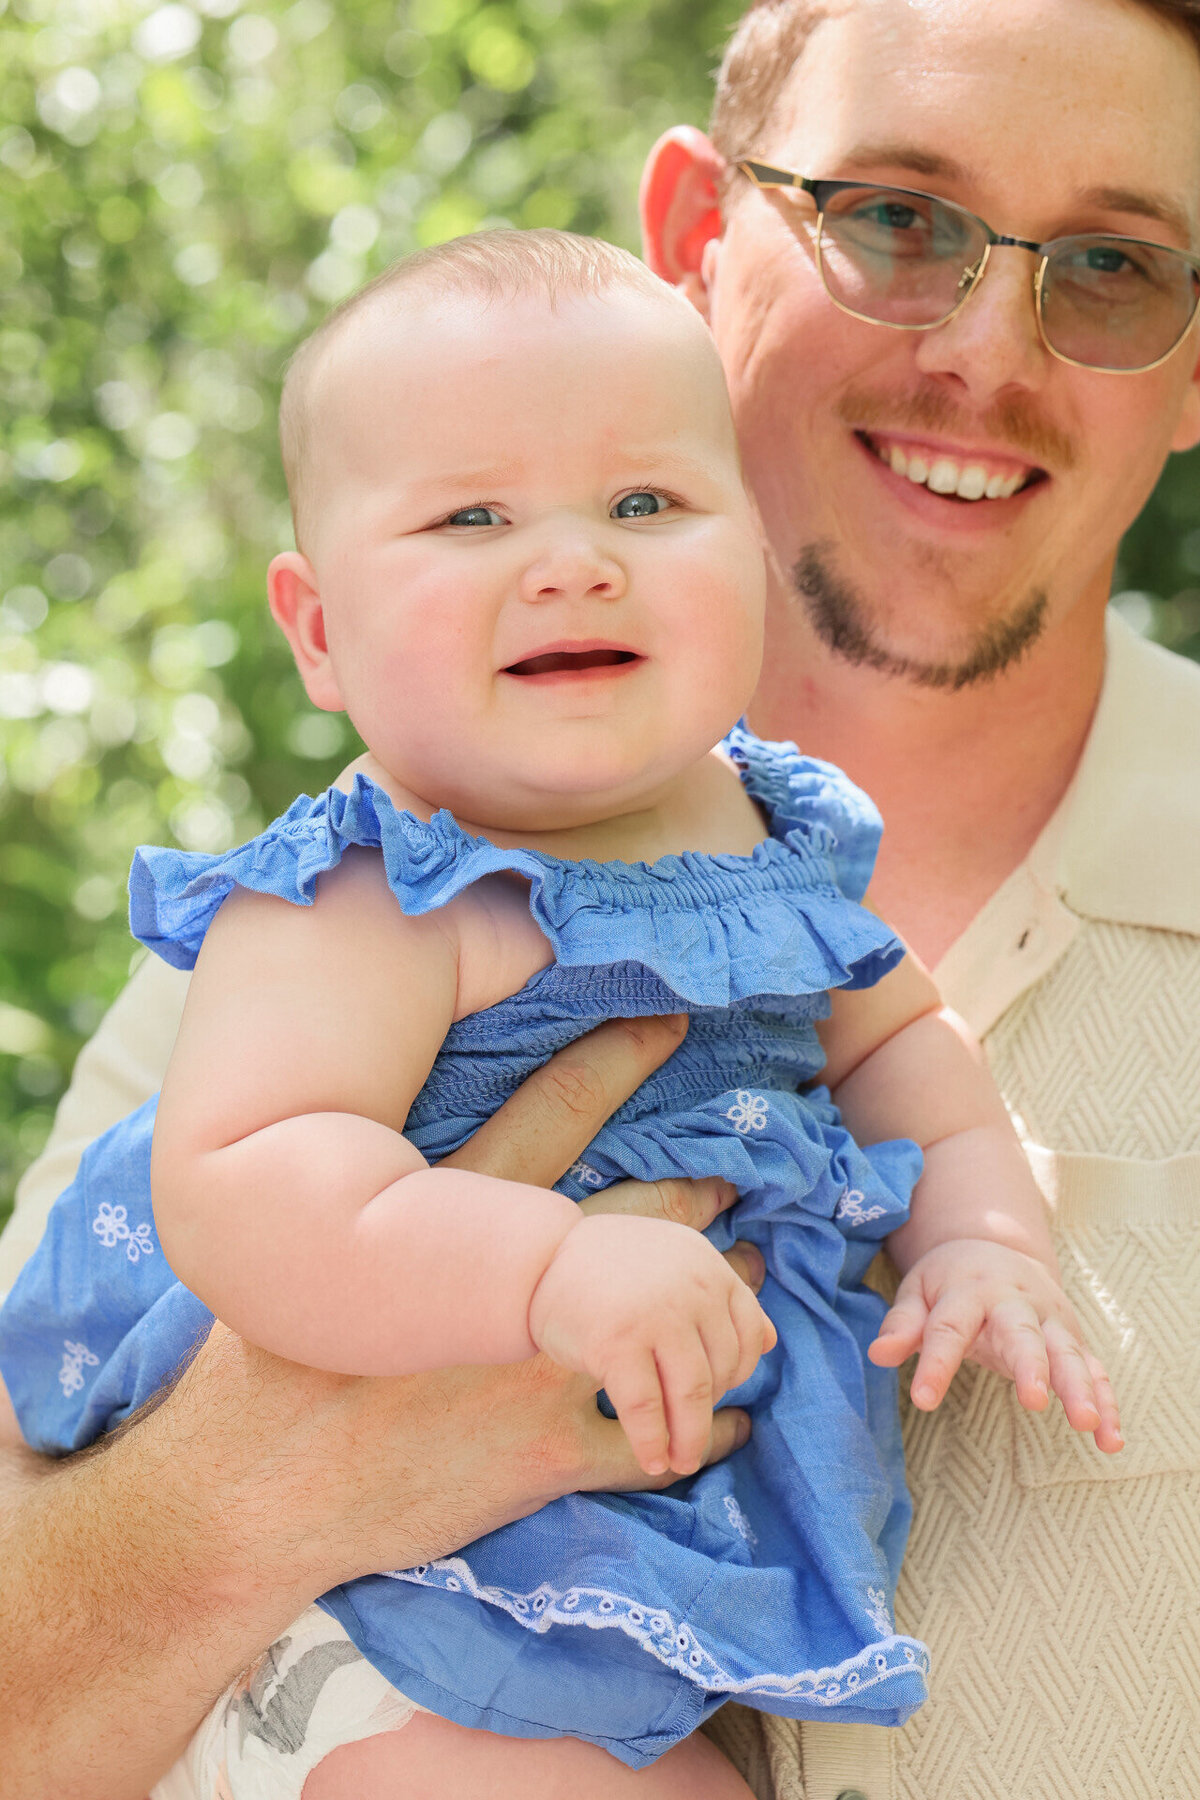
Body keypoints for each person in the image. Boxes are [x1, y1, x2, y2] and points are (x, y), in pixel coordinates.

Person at [1, 0, 1197, 1796]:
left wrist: (987, 1235)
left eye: (1113, 265)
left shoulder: (786, 844)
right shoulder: (355, 895)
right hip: (418, 1655)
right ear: (701, 241)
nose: (982, 346)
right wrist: (246, 1495)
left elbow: (906, 1042)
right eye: (896, 216)